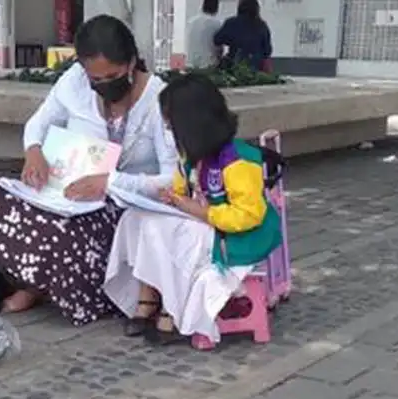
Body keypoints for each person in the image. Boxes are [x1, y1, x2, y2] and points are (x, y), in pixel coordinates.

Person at [0, 15, 177, 325]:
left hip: (121, 205)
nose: (104, 86)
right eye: (96, 80)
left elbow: (173, 179)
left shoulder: (160, 99)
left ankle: (47, 287)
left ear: (132, 62)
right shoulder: (74, 82)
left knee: (65, 230)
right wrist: (34, 151)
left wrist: (112, 182)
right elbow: (38, 123)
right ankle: (34, 282)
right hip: (70, 194)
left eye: (113, 76)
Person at [105, 73, 281, 345]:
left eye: (171, 127)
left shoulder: (237, 161)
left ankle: (171, 307)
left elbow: (248, 215)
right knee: (136, 218)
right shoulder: (192, 155)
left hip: (238, 237)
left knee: (164, 231)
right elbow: (181, 189)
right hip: (205, 223)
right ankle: (148, 296)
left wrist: (200, 212)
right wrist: (172, 199)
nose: (169, 134)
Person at [213, 0, 272, 72]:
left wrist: (231, 41)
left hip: (234, 67)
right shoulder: (262, 25)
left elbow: (217, 40)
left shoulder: (231, 23)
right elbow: (267, 50)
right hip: (255, 68)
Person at [185, 0, 222, 69]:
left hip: (190, 65)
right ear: (216, 8)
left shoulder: (191, 22)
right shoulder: (217, 24)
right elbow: (219, 49)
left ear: (203, 7)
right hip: (208, 67)